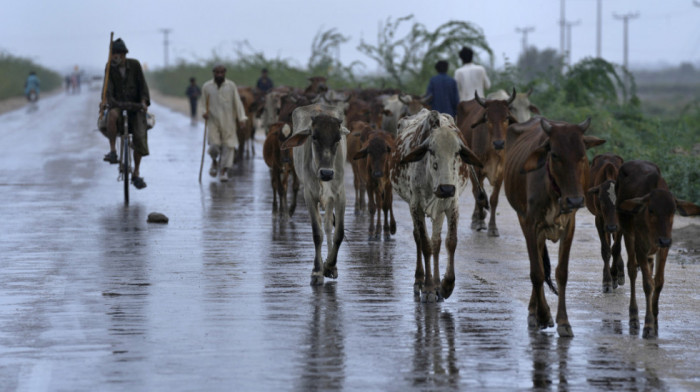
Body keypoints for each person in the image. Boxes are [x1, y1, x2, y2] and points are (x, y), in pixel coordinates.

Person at [100, 37, 151, 190]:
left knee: (139, 136)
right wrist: (106, 101)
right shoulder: (109, 67)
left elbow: (143, 85)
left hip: (135, 107)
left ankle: (136, 173)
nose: (113, 56)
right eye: (112, 53)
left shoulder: (135, 65)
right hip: (117, 104)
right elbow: (107, 87)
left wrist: (143, 102)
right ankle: (113, 151)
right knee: (112, 116)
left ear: (123, 54)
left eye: (116, 53)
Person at [201, 64, 248, 182]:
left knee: (229, 146)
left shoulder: (231, 86)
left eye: (221, 73)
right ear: (213, 73)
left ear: (225, 73)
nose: (219, 75)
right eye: (217, 73)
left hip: (229, 121)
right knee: (214, 146)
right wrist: (204, 113)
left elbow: (237, 103)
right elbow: (202, 104)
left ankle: (223, 171)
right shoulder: (207, 87)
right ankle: (214, 161)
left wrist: (241, 118)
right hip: (213, 121)